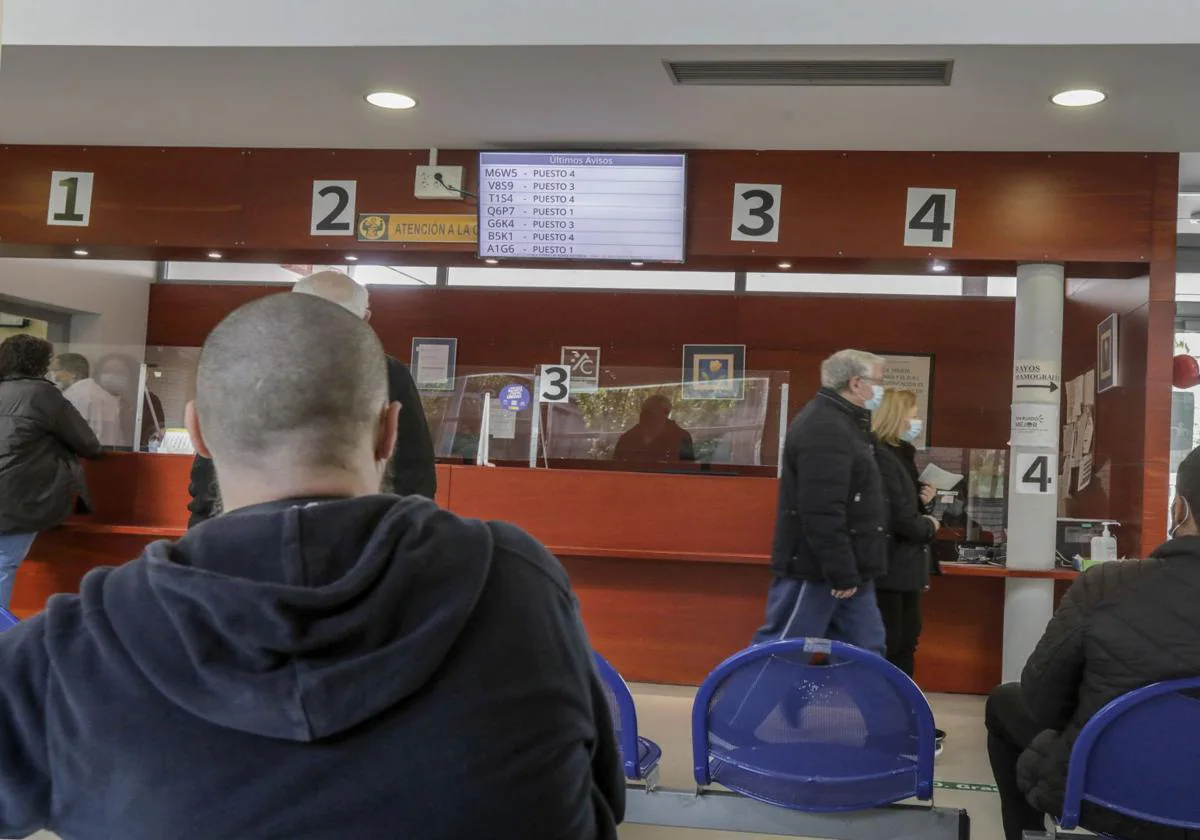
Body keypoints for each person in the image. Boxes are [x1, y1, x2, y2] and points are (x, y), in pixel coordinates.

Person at [0, 293, 624, 839]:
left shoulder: (76, 644)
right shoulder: (518, 581)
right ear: (388, 431)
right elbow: (603, 800)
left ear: (198, 434)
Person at [986, 444, 1200, 840]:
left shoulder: (1106, 584)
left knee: (1005, 703)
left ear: (1178, 510)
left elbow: (1041, 701)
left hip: (1107, 795)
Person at [187, 271, 436, 526]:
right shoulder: (385, 373)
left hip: (238, 534)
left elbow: (207, 479)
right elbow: (416, 474)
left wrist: (200, 536)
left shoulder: (244, 364)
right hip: (364, 537)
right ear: (365, 320)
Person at [751, 349, 889, 652]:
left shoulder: (846, 425)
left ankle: (874, 702)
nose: (882, 389)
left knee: (866, 651)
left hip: (850, 566)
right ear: (855, 383)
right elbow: (820, 508)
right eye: (878, 381)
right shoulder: (825, 427)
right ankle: (749, 702)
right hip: (817, 570)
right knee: (783, 652)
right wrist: (841, 570)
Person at [0, 335, 101, 610]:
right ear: (39, 363)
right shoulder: (42, 394)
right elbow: (88, 444)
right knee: (3, 566)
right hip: (17, 496)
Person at [871, 388, 946, 750]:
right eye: (913, 413)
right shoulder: (882, 456)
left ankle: (904, 722)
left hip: (904, 570)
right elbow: (897, 517)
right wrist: (928, 525)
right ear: (895, 415)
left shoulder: (901, 454)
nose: (916, 421)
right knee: (892, 648)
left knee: (904, 645)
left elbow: (901, 504)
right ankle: (890, 728)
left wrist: (918, 500)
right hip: (889, 571)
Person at [94, 351, 166, 450]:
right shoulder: (92, 400)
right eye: (106, 371)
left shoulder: (147, 401)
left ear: (131, 375)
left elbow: (154, 433)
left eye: (119, 372)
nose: (112, 376)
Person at [50, 352, 122, 446]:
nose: (52, 375)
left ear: (73, 373)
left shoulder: (73, 397)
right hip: (108, 455)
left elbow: (72, 434)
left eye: (56, 370)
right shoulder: (107, 397)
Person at [614, 394, 695, 464]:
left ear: (666, 413)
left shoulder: (681, 438)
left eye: (652, 411)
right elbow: (615, 468)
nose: (646, 415)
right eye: (645, 410)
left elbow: (688, 471)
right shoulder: (627, 439)